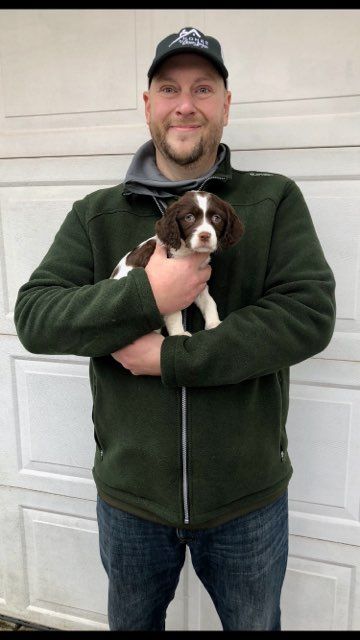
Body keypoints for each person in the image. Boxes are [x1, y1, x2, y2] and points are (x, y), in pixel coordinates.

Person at [14, 26, 336, 632]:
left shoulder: (271, 202)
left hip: (248, 497)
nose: (185, 104)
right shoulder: (95, 215)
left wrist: (173, 359)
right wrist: (148, 295)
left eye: (203, 88)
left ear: (225, 104)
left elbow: (307, 315)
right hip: (131, 497)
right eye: (169, 88)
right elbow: (36, 316)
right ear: (148, 105)